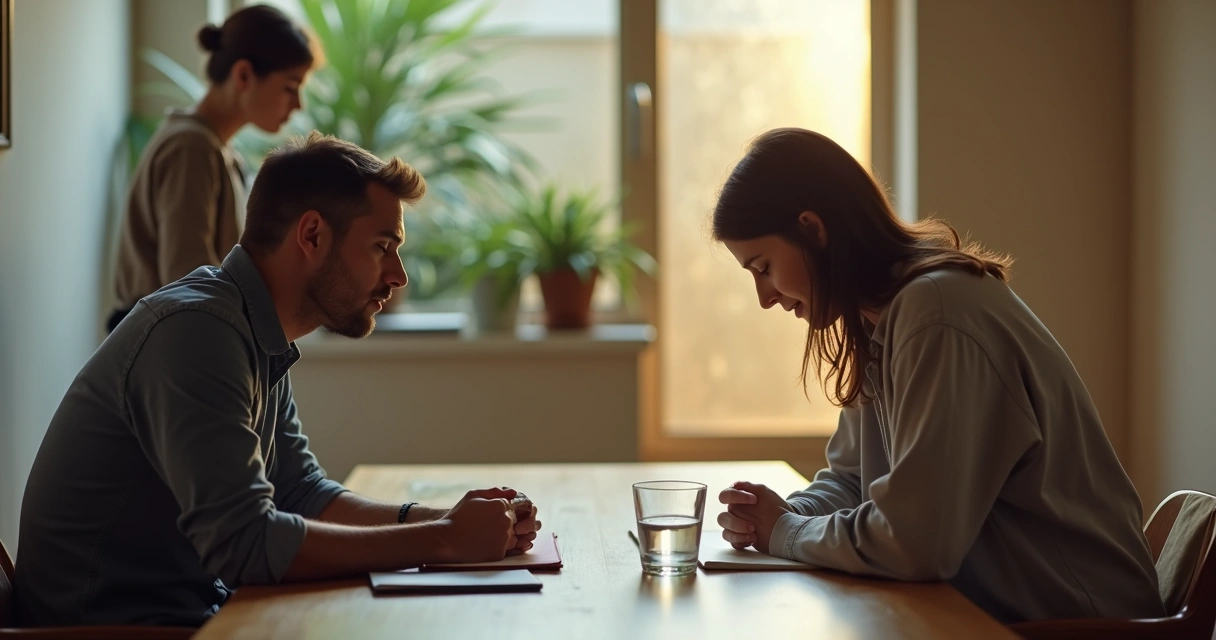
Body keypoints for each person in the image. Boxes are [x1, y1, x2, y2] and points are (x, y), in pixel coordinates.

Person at [15, 132, 541, 628]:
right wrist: (443, 540)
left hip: (191, 619)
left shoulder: (248, 325)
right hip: (114, 634)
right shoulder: (197, 333)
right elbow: (245, 544)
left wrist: (443, 518)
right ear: (312, 235)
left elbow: (300, 491)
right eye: (383, 246)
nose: (398, 275)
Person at [711, 127, 1164, 623]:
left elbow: (914, 543)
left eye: (763, 267)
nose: (765, 297)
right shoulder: (880, 318)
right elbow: (854, 480)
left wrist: (785, 533)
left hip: (1081, 623)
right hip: (1006, 610)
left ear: (812, 229)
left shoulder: (937, 313)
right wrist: (782, 516)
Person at [109, 5, 316, 333]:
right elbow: (187, 280)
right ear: (244, 74)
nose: (297, 104)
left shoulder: (213, 147)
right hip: (167, 344)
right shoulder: (192, 148)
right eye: (290, 87)